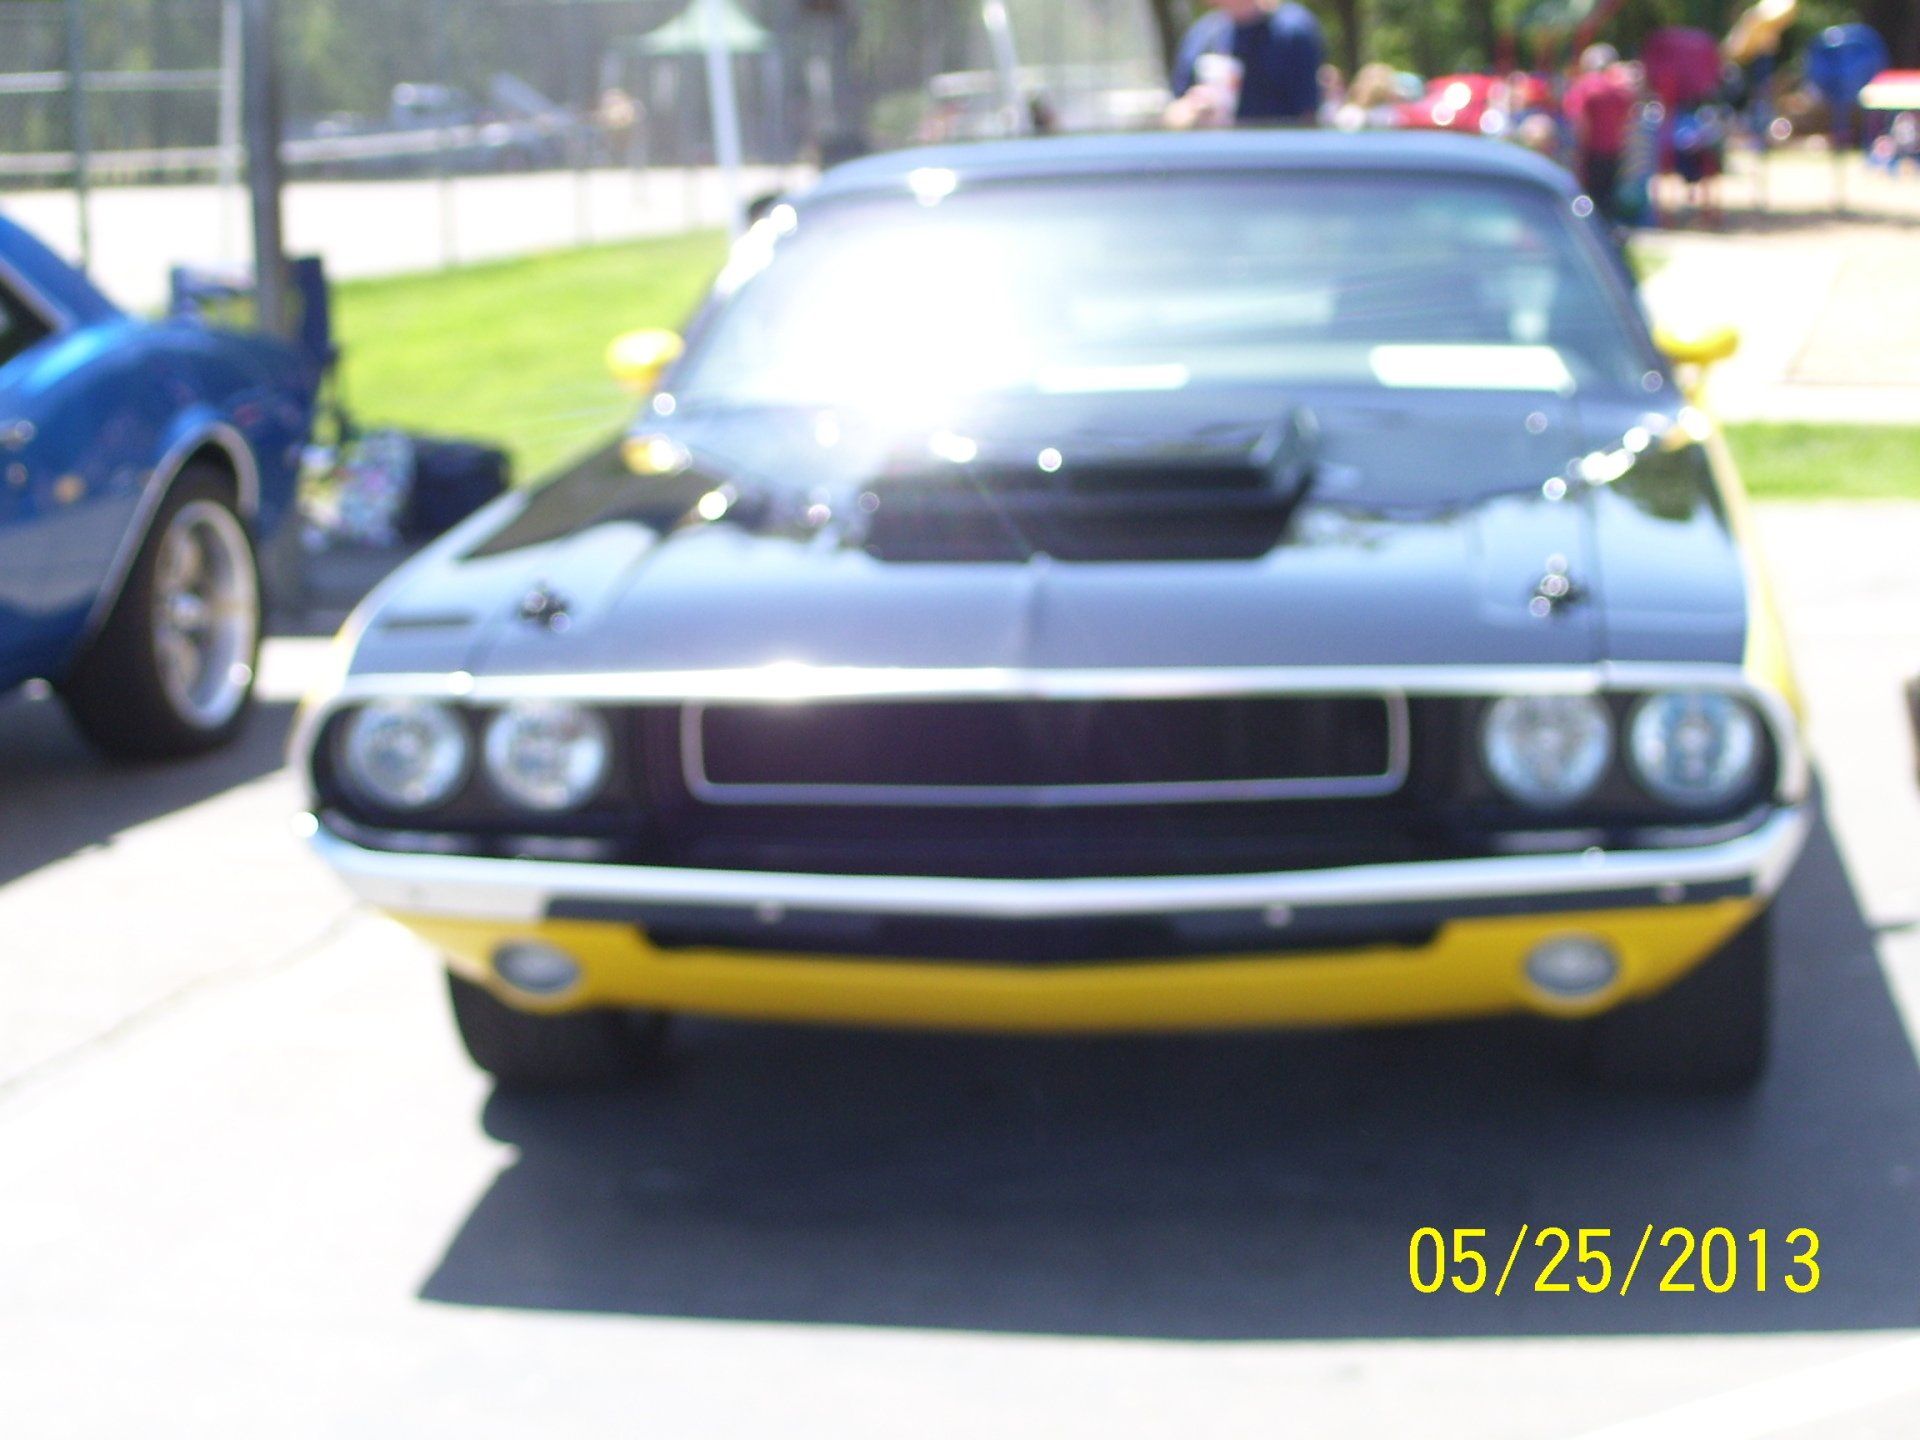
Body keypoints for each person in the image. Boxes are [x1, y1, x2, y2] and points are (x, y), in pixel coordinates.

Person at [1166, 0, 1325, 129]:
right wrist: (1193, 109)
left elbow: (1308, 116)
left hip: (1276, 159)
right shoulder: (1202, 34)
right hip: (1216, 159)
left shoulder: (1293, 30)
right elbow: (1173, 114)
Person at [1563, 44, 1636, 221]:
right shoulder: (1620, 91)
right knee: (1608, 199)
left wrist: (1577, 154)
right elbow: (1627, 124)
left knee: (1587, 199)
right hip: (1614, 151)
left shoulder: (1584, 88)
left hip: (1591, 152)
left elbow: (1580, 123)